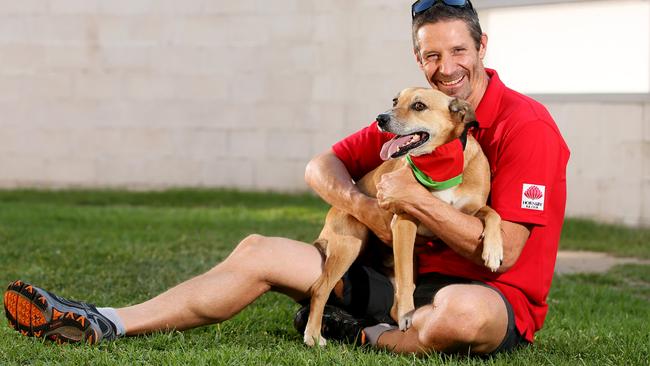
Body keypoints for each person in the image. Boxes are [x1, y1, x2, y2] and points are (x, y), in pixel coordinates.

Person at [3, 0, 568, 355]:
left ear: (482, 47)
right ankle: (106, 321)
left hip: (487, 297)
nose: (445, 69)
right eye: (430, 56)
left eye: (457, 51)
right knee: (256, 250)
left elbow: (506, 253)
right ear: (418, 60)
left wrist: (416, 205)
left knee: (461, 316)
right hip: (389, 282)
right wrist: (369, 209)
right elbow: (320, 167)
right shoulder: (417, 117)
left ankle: (364, 335)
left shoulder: (525, 128)